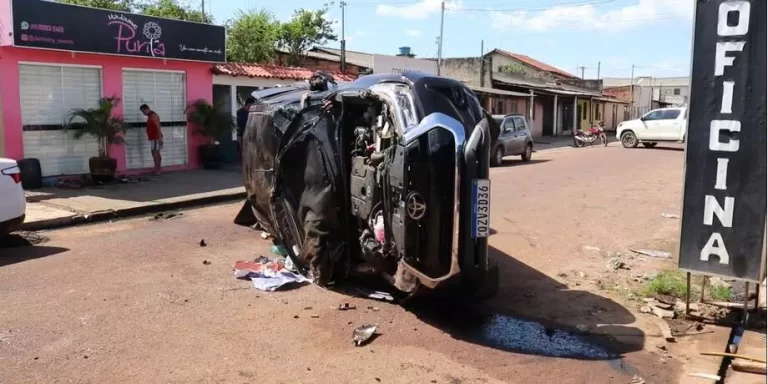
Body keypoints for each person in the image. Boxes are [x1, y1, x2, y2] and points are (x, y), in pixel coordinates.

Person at [140, 104, 163, 175]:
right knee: (155, 153)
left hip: (156, 137)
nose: (143, 113)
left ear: (147, 109)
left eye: (143, 111)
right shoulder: (150, 116)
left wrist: (159, 138)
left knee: (155, 153)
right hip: (154, 137)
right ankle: (157, 169)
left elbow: (158, 127)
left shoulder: (153, 116)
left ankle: (157, 170)